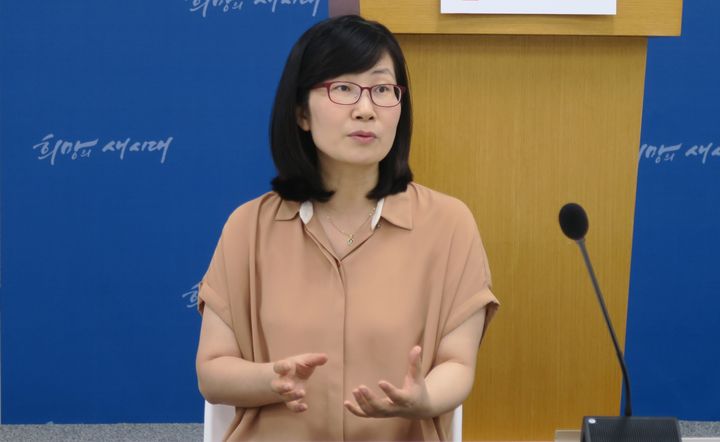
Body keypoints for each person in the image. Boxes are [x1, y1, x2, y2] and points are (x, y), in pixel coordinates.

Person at [195, 15, 499, 441]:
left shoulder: (449, 225)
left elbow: (458, 363)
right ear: (302, 113)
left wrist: (425, 397)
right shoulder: (248, 228)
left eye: (382, 89)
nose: (365, 109)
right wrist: (271, 379)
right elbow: (212, 371)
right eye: (342, 88)